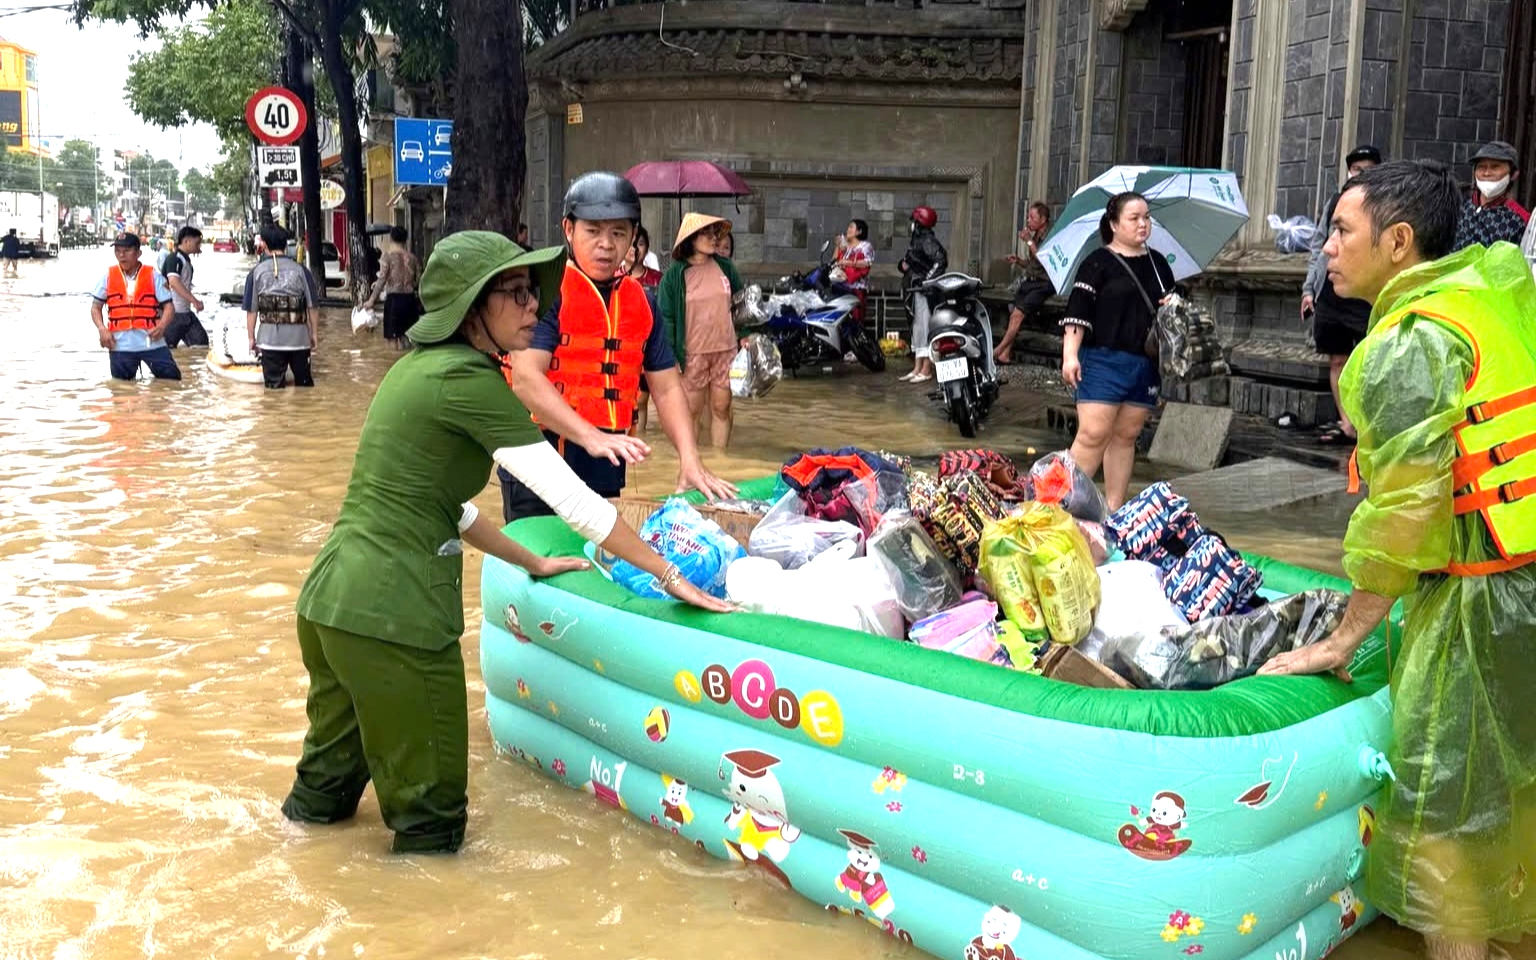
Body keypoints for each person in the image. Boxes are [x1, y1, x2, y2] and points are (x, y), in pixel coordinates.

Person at [282, 230, 734, 856]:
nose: (534, 309)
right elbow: (572, 500)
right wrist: (668, 573)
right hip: (396, 617)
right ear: (473, 306)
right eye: (517, 294)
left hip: (334, 607)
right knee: (432, 831)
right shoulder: (468, 382)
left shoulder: (417, 371)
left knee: (317, 809)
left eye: (533, 293)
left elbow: (448, 508)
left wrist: (529, 558)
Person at [1260, 160, 1536, 960]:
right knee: (1513, 792)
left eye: (1343, 231)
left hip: (1481, 601)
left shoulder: (1410, 342)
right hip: (1524, 575)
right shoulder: (1488, 296)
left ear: (1399, 242)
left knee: (1448, 806)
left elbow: (1403, 520)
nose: (1329, 249)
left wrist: (1341, 640)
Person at [501, 172, 737, 523]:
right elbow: (525, 378)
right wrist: (590, 436)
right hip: (541, 451)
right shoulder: (544, 292)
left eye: (618, 233)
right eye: (593, 231)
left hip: (606, 454)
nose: (606, 245)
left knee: (598, 557)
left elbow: (668, 386)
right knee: (546, 557)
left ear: (634, 239)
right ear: (569, 230)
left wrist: (690, 458)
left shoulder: (642, 301)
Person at [1059, 192, 1176, 511]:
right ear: (1113, 223)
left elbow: (1170, 315)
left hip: (1144, 363)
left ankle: (1114, 510)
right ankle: (1056, 507)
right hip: (1102, 360)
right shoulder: (1097, 262)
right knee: (1092, 434)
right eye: (1134, 218)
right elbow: (1077, 313)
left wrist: (1171, 307)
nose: (1143, 223)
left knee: (1126, 436)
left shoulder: (1158, 264)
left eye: (1147, 217)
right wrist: (1070, 355)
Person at [1302, 144, 1382, 445]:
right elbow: (1319, 246)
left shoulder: (1383, 205)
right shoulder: (1336, 202)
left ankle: (1367, 423)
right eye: (1357, 169)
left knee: (1369, 359)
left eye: (1369, 170)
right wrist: (1309, 288)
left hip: (1363, 293)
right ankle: (1347, 422)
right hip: (1332, 291)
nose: (1362, 175)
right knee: (1337, 359)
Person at [659, 213, 744, 449]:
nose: (713, 238)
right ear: (691, 239)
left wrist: (746, 333)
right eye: (706, 234)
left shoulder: (725, 267)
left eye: (714, 233)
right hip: (692, 354)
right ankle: (690, 464)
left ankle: (720, 462)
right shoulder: (674, 276)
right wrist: (672, 356)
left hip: (725, 349)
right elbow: (666, 319)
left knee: (721, 407)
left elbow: (741, 303)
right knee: (691, 411)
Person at [90, 231, 180, 381]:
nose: (122, 255)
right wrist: (101, 329)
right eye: (118, 251)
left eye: (127, 251)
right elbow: (95, 307)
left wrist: (162, 326)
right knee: (122, 390)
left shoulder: (153, 276)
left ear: (138, 253)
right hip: (120, 346)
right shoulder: (108, 276)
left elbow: (169, 307)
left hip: (152, 343)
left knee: (172, 382)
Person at [243, 224, 320, 389]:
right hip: (300, 341)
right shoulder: (302, 271)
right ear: (285, 244)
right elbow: (312, 306)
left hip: (270, 342)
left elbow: (252, 310)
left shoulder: (256, 273)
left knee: (273, 391)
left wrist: (251, 339)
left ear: (263, 244)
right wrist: (313, 334)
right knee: (304, 388)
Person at [995, 201, 1054, 365]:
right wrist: (1019, 261)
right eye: (1028, 217)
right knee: (1013, 312)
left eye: (1032, 217)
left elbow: (1045, 260)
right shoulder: (1036, 236)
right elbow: (1034, 265)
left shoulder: (1051, 235)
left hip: (1044, 284)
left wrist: (1029, 241)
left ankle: (997, 351)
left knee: (1017, 315)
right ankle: (1005, 354)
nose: (1028, 221)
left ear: (1043, 219)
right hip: (1031, 281)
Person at [898, 206, 948, 382]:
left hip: (924, 291)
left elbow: (940, 259)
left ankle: (926, 369)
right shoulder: (918, 239)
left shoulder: (927, 240)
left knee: (925, 327)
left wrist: (928, 281)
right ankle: (917, 366)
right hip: (915, 289)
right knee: (917, 328)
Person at [1452, 140, 1529, 252]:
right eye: (1481, 167)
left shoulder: (1520, 219)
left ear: (1513, 174)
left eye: (1495, 167)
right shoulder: (1460, 204)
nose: (1487, 173)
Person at [362, 225, 422, 349]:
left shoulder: (387, 257)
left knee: (392, 342)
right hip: (410, 302)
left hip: (394, 302)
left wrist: (371, 301)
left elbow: (382, 279)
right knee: (410, 341)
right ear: (406, 240)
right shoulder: (413, 259)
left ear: (391, 239)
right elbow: (419, 282)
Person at [160, 226, 209, 349]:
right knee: (167, 349)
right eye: (197, 243)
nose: (199, 246)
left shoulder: (186, 261)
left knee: (201, 345)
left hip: (185, 314)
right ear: (186, 241)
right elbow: (174, 283)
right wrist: (195, 301)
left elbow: (184, 284)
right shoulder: (174, 259)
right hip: (172, 315)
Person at [833, 219, 874, 322]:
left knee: (856, 318)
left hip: (856, 289)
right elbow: (834, 262)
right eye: (848, 227)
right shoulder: (845, 247)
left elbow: (867, 262)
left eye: (851, 227)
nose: (848, 229)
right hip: (842, 287)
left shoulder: (865, 246)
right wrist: (838, 246)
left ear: (859, 231)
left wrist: (848, 263)